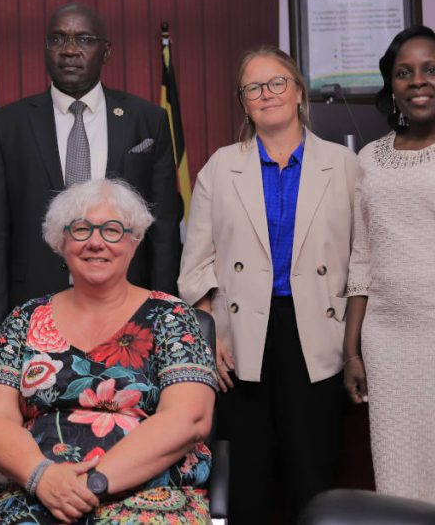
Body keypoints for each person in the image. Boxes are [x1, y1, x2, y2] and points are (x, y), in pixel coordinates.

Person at [178, 47, 357, 523]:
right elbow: (195, 267)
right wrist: (209, 335)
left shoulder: (345, 166)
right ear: (244, 102)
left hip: (318, 337)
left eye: (277, 82)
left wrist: (356, 346)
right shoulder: (220, 167)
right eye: (253, 88)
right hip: (240, 344)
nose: (267, 94)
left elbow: (363, 262)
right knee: (246, 482)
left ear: (298, 91)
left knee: (312, 475)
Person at [0, 178, 216, 524]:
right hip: (39, 493)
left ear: (134, 241)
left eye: (112, 230)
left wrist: (94, 483)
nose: (96, 242)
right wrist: (41, 476)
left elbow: (189, 419)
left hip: (151, 496)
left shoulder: (173, 317)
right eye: (81, 230)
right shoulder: (23, 320)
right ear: (61, 242)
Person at [0, 3, 182, 349]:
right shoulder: (7, 126)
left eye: (83, 39)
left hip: (129, 308)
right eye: (58, 39)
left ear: (107, 51)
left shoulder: (146, 120)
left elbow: (163, 232)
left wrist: (163, 319)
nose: (70, 50)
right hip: (33, 308)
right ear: (46, 49)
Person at [343, 25, 435, 506]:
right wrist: (352, 350)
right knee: (399, 478)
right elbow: (361, 256)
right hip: (388, 342)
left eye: (432, 70)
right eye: (405, 73)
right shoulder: (371, 159)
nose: (418, 81)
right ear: (392, 86)